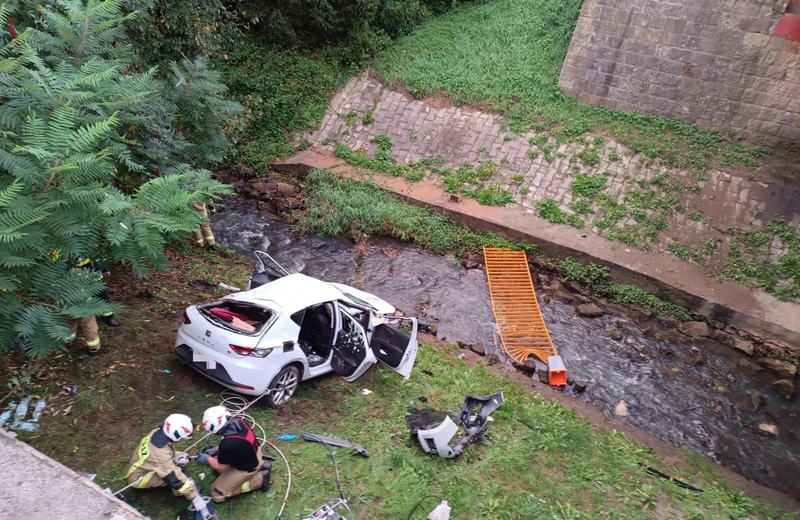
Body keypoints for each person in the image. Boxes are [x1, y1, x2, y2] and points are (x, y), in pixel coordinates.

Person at [126, 414, 213, 518]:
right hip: (139, 479)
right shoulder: (159, 453)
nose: (181, 440)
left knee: (176, 464)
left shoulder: (157, 433)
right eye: (181, 438)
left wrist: (179, 455)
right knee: (176, 473)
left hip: (144, 465)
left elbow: (165, 452)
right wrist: (195, 497)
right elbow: (174, 478)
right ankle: (179, 493)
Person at [197, 406, 271, 502]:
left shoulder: (227, 445)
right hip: (256, 453)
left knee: (216, 493)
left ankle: (260, 479)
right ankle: (261, 465)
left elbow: (221, 467)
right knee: (217, 459)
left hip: (247, 468)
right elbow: (238, 443)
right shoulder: (238, 421)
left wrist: (207, 458)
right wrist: (216, 449)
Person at [75, 256, 120, 327]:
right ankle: (81, 321)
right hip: (79, 280)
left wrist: (105, 269)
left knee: (104, 297)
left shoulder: (94, 247)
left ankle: (108, 318)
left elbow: (100, 259)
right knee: (82, 300)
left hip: (96, 278)